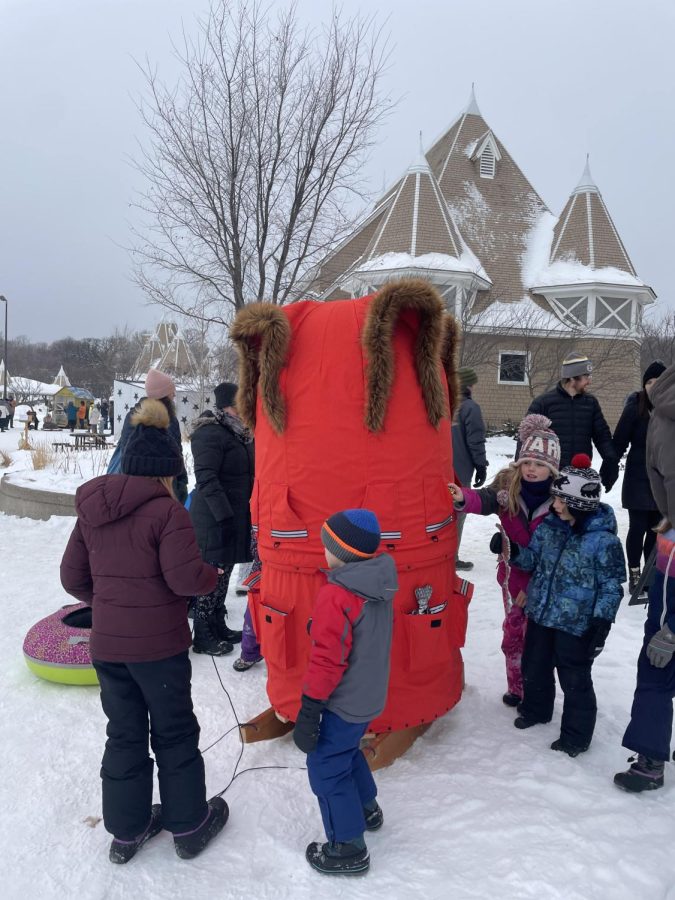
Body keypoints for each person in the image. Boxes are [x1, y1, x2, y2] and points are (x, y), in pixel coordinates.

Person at [59, 398, 229, 864]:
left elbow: (73, 578)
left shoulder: (91, 510)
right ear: (165, 473)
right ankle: (189, 825)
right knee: (173, 732)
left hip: (109, 647)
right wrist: (210, 576)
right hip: (160, 649)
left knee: (124, 733)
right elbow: (183, 579)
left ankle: (126, 832)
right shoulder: (167, 513)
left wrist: (111, 607)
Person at [293, 509, 398, 876]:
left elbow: (328, 662)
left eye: (327, 545)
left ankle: (347, 846)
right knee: (346, 750)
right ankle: (367, 808)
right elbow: (360, 635)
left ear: (341, 552)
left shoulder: (337, 595)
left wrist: (310, 707)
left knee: (326, 766)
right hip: (369, 696)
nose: (323, 552)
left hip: (343, 699)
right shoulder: (378, 582)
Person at [504, 453, 625, 756]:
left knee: (574, 679)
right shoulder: (550, 528)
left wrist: (602, 622)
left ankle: (575, 736)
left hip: (577, 623)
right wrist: (513, 550)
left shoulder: (604, 542)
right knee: (536, 664)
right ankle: (536, 709)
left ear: (580, 505)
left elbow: (612, 586)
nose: (555, 505)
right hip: (543, 612)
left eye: (561, 500)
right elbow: (532, 559)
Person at [448, 414, 560, 706]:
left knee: (536, 639)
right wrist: (463, 497)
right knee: (513, 633)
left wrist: (534, 589)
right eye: (527, 463)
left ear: (552, 468)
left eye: (540, 464)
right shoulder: (508, 485)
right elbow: (485, 500)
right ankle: (517, 688)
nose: (532, 470)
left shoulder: (560, 500)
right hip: (512, 576)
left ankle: (537, 693)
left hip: (544, 581)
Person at [614, 361, 675, 792]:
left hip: (674, 550)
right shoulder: (658, 411)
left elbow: (659, 480)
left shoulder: (659, 410)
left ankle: (651, 758)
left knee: (660, 653)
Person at [189, 382, 254, 655]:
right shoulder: (210, 434)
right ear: (228, 406)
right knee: (211, 576)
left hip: (231, 515)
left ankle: (217, 624)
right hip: (213, 517)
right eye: (240, 404)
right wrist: (224, 516)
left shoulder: (239, 434)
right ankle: (203, 634)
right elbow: (206, 478)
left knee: (223, 574)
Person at [612, 361, 666, 596]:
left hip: (662, 479)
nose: (653, 386)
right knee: (637, 528)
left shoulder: (671, 407)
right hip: (637, 476)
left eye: (658, 381)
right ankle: (634, 574)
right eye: (649, 382)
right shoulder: (635, 405)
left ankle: (649, 576)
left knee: (656, 530)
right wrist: (610, 465)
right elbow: (620, 439)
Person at [525, 352, 619, 488]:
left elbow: (602, 436)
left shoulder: (590, 403)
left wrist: (611, 462)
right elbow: (526, 439)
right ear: (572, 378)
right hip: (550, 475)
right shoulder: (544, 403)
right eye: (586, 376)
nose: (589, 381)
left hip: (580, 474)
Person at [108, 369, 188, 503]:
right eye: (171, 393)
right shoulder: (168, 419)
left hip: (131, 489)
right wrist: (181, 488)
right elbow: (176, 456)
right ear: (163, 395)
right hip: (164, 490)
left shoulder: (132, 416)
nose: (174, 395)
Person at [451, 366, 488, 571]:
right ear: (468, 385)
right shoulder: (470, 408)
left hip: (440, 471)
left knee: (441, 513)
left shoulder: (445, 404)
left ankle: (441, 553)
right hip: (460, 473)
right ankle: (451, 557)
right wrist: (481, 466)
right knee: (458, 512)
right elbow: (476, 440)